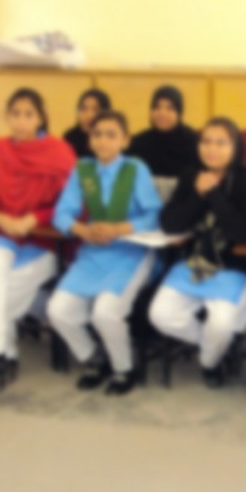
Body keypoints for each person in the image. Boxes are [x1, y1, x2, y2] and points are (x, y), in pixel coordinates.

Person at [0, 88, 76, 394]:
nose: (21, 121)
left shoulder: (58, 151)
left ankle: (3, 356)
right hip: (5, 235)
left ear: (40, 117)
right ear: (7, 117)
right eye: (15, 113)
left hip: (44, 242)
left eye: (29, 114)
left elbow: (71, 204)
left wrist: (34, 218)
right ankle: (1, 356)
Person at [47, 110, 161, 395]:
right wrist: (82, 230)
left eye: (111, 135)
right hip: (92, 254)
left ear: (125, 140)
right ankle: (94, 357)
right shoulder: (83, 170)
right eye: (97, 134)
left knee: (105, 313)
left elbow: (155, 215)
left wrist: (120, 228)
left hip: (131, 253)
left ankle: (124, 368)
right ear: (89, 139)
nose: (103, 141)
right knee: (57, 310)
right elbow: (61, 213)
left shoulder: (135, 168)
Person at [149, 117, 246, 388]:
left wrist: (213, 194)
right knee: (160, 314)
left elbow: (244, 232)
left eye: (221, 142)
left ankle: (209, 363)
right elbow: (170, 223)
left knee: (222, 323)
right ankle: (214, 350)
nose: (212, 149)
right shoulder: (191, 175)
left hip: (234, 267)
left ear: (235, 147)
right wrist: (198, 195)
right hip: (194, 263)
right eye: (206, 141)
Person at [125, 85, 199, 179]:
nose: (162, 113)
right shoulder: (138, 143)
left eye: (170, 108)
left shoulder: (194, 142)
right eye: (157, 107)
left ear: (179, 113)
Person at [62, 88, 112, 159]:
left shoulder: (113, 138)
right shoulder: (70, 138)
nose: (89, 115)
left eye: (95, 109)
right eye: (83, 109)